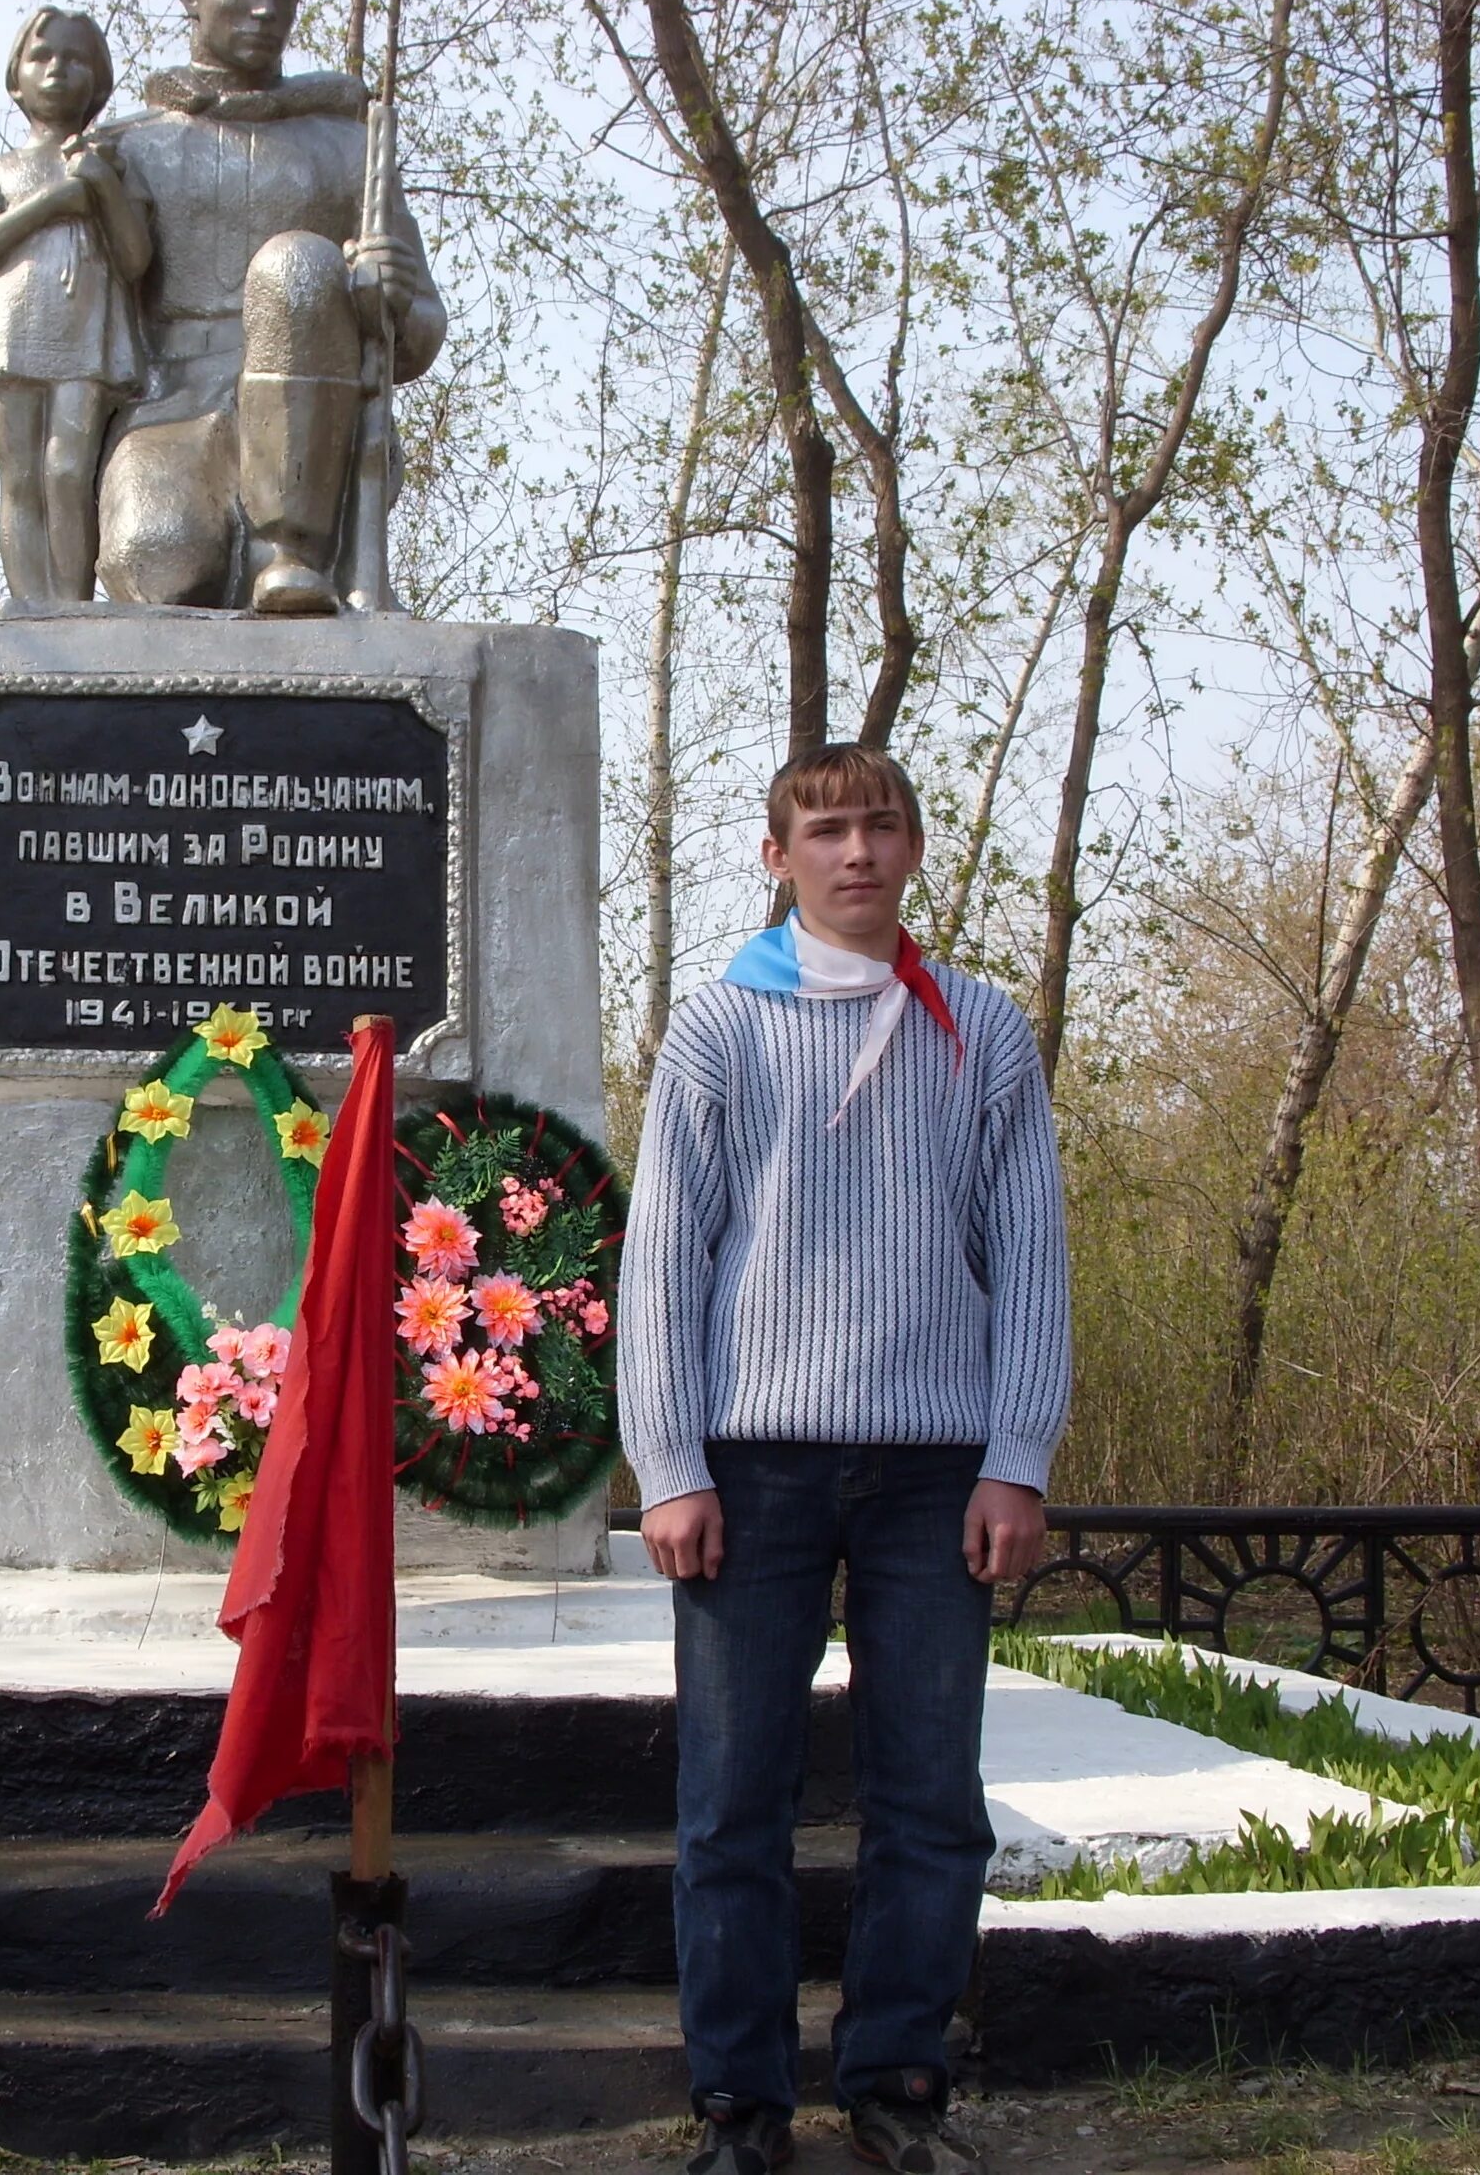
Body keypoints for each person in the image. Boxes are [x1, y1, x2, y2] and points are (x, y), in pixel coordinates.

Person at [617, 745, 1070, 2175]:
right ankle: (739, 2103)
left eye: (880, 826)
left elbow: (1035, 1257)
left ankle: (897, 2082)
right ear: (779, 855)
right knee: (732, 1794)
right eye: (825, 829)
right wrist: (670, 1460)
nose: (854, 852)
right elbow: (660, 1264)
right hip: (754, 1463)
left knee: (933, 1795)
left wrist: (1020, 1453)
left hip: (937, 1467)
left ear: (916, 848)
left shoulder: (981, 1028)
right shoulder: (719, 1030)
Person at [80, 0, 445, 613]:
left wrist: (392, 295)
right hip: (172, 410)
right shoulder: (134, 147)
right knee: (156, 563)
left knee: (297, 262)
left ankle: (292, 555)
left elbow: (421, 329)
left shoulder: (346, 145)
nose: (265, 10)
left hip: (317, 423)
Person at [0, 7, 151, 608]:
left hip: (87, 332)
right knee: (21, 476)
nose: (57, 70)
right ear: (16, 79)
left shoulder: (113, 164)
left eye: (76, 59)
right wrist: (58, 198)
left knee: (68, 472)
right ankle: (29, 608)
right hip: (14, 325)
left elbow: (135, 258)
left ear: (100, 81)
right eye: (42, 57)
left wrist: (100, 186)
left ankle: (70, 606)